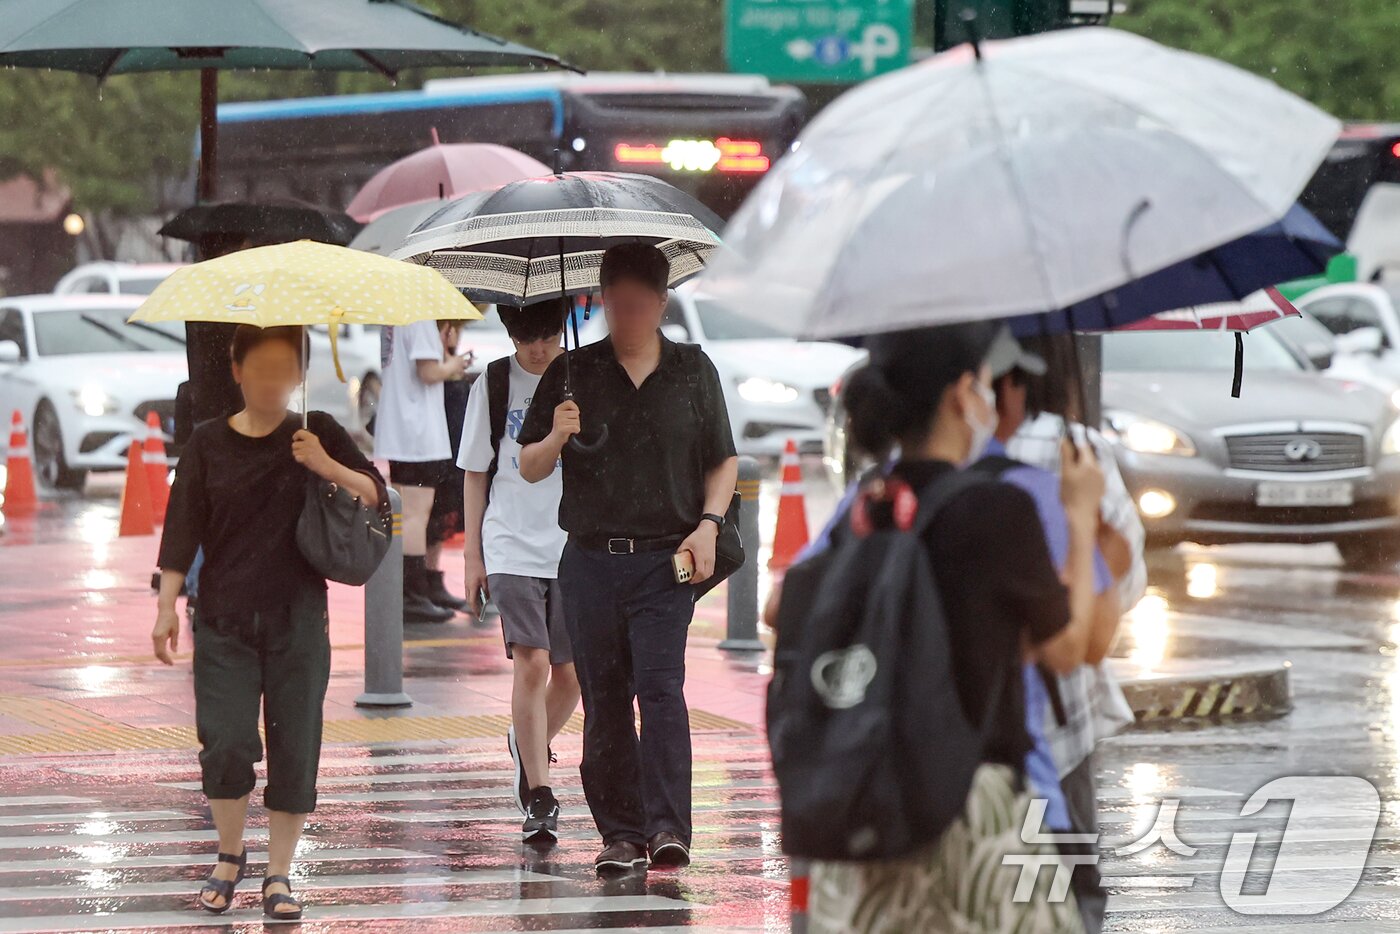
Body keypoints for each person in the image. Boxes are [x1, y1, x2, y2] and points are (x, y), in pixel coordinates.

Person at [801, 322, 1102, 933]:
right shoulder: (1001, 509)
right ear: (962, 395)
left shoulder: (870, 502)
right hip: (978, 811)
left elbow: (786, 609)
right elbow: (1068, 649)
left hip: (878, 800)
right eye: (985, 385)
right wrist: (1081, 515)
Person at [151, 325, 385, 922]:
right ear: (236, 370)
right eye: (260, 367)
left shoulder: (316, 431)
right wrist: (165, 608)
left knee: (295, 745)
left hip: (298, 618)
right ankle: (230, 854)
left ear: (299, 374)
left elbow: (375, 495)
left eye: (285, 367)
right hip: (223, 619)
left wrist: (324, 462)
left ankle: (279, 873)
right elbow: (182, 528)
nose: (272, 379)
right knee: (224, 742)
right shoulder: (207, 444)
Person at [517, 243, 738, 874]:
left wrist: (708, 526)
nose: (629, 317)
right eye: (617, 306)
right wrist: (557, 433)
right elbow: (528, 467)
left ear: (662, 303)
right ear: (601, 302)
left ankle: (669, 828)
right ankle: (619, 832)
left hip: (665, 561)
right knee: (605, 697)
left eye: (641, 306)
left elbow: (723, 459)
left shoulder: (693, 371)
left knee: (661, 690)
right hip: (590, 562)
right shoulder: (572, 373)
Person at [1003, 334, 1145, 934]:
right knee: (1071, 887)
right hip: (1057, 717)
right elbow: (1126, 579)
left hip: (953, 718)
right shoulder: (1073, 449)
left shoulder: (923, 456)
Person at [459, 298, 579, 843]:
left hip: (571, 542)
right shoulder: (493, 383)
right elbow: (474, 472)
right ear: (509, 334)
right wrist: (472, 556)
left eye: (550, 335)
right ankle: (539, 792)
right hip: (509, 541)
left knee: (571, 676)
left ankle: (524, 741)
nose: (540, 348)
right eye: (528, 337)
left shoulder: (580, 377)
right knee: (531, 665)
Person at [374, 318, 469, 623]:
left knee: (405, 512)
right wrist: (453, 363)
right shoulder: (420, 316)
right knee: (416, 513)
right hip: (419, 431)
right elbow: (428, 371)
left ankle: (414, 590)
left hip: (399, 427)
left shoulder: (393, 317)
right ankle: (413, 594)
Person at [424, 319, 474, 612]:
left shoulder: (450, 364)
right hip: (440, 442)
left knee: (441, 510)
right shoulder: (435, 356)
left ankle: (431, 578)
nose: (454, 334)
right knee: (434, 510)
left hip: (449, 443)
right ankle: (425, 581)